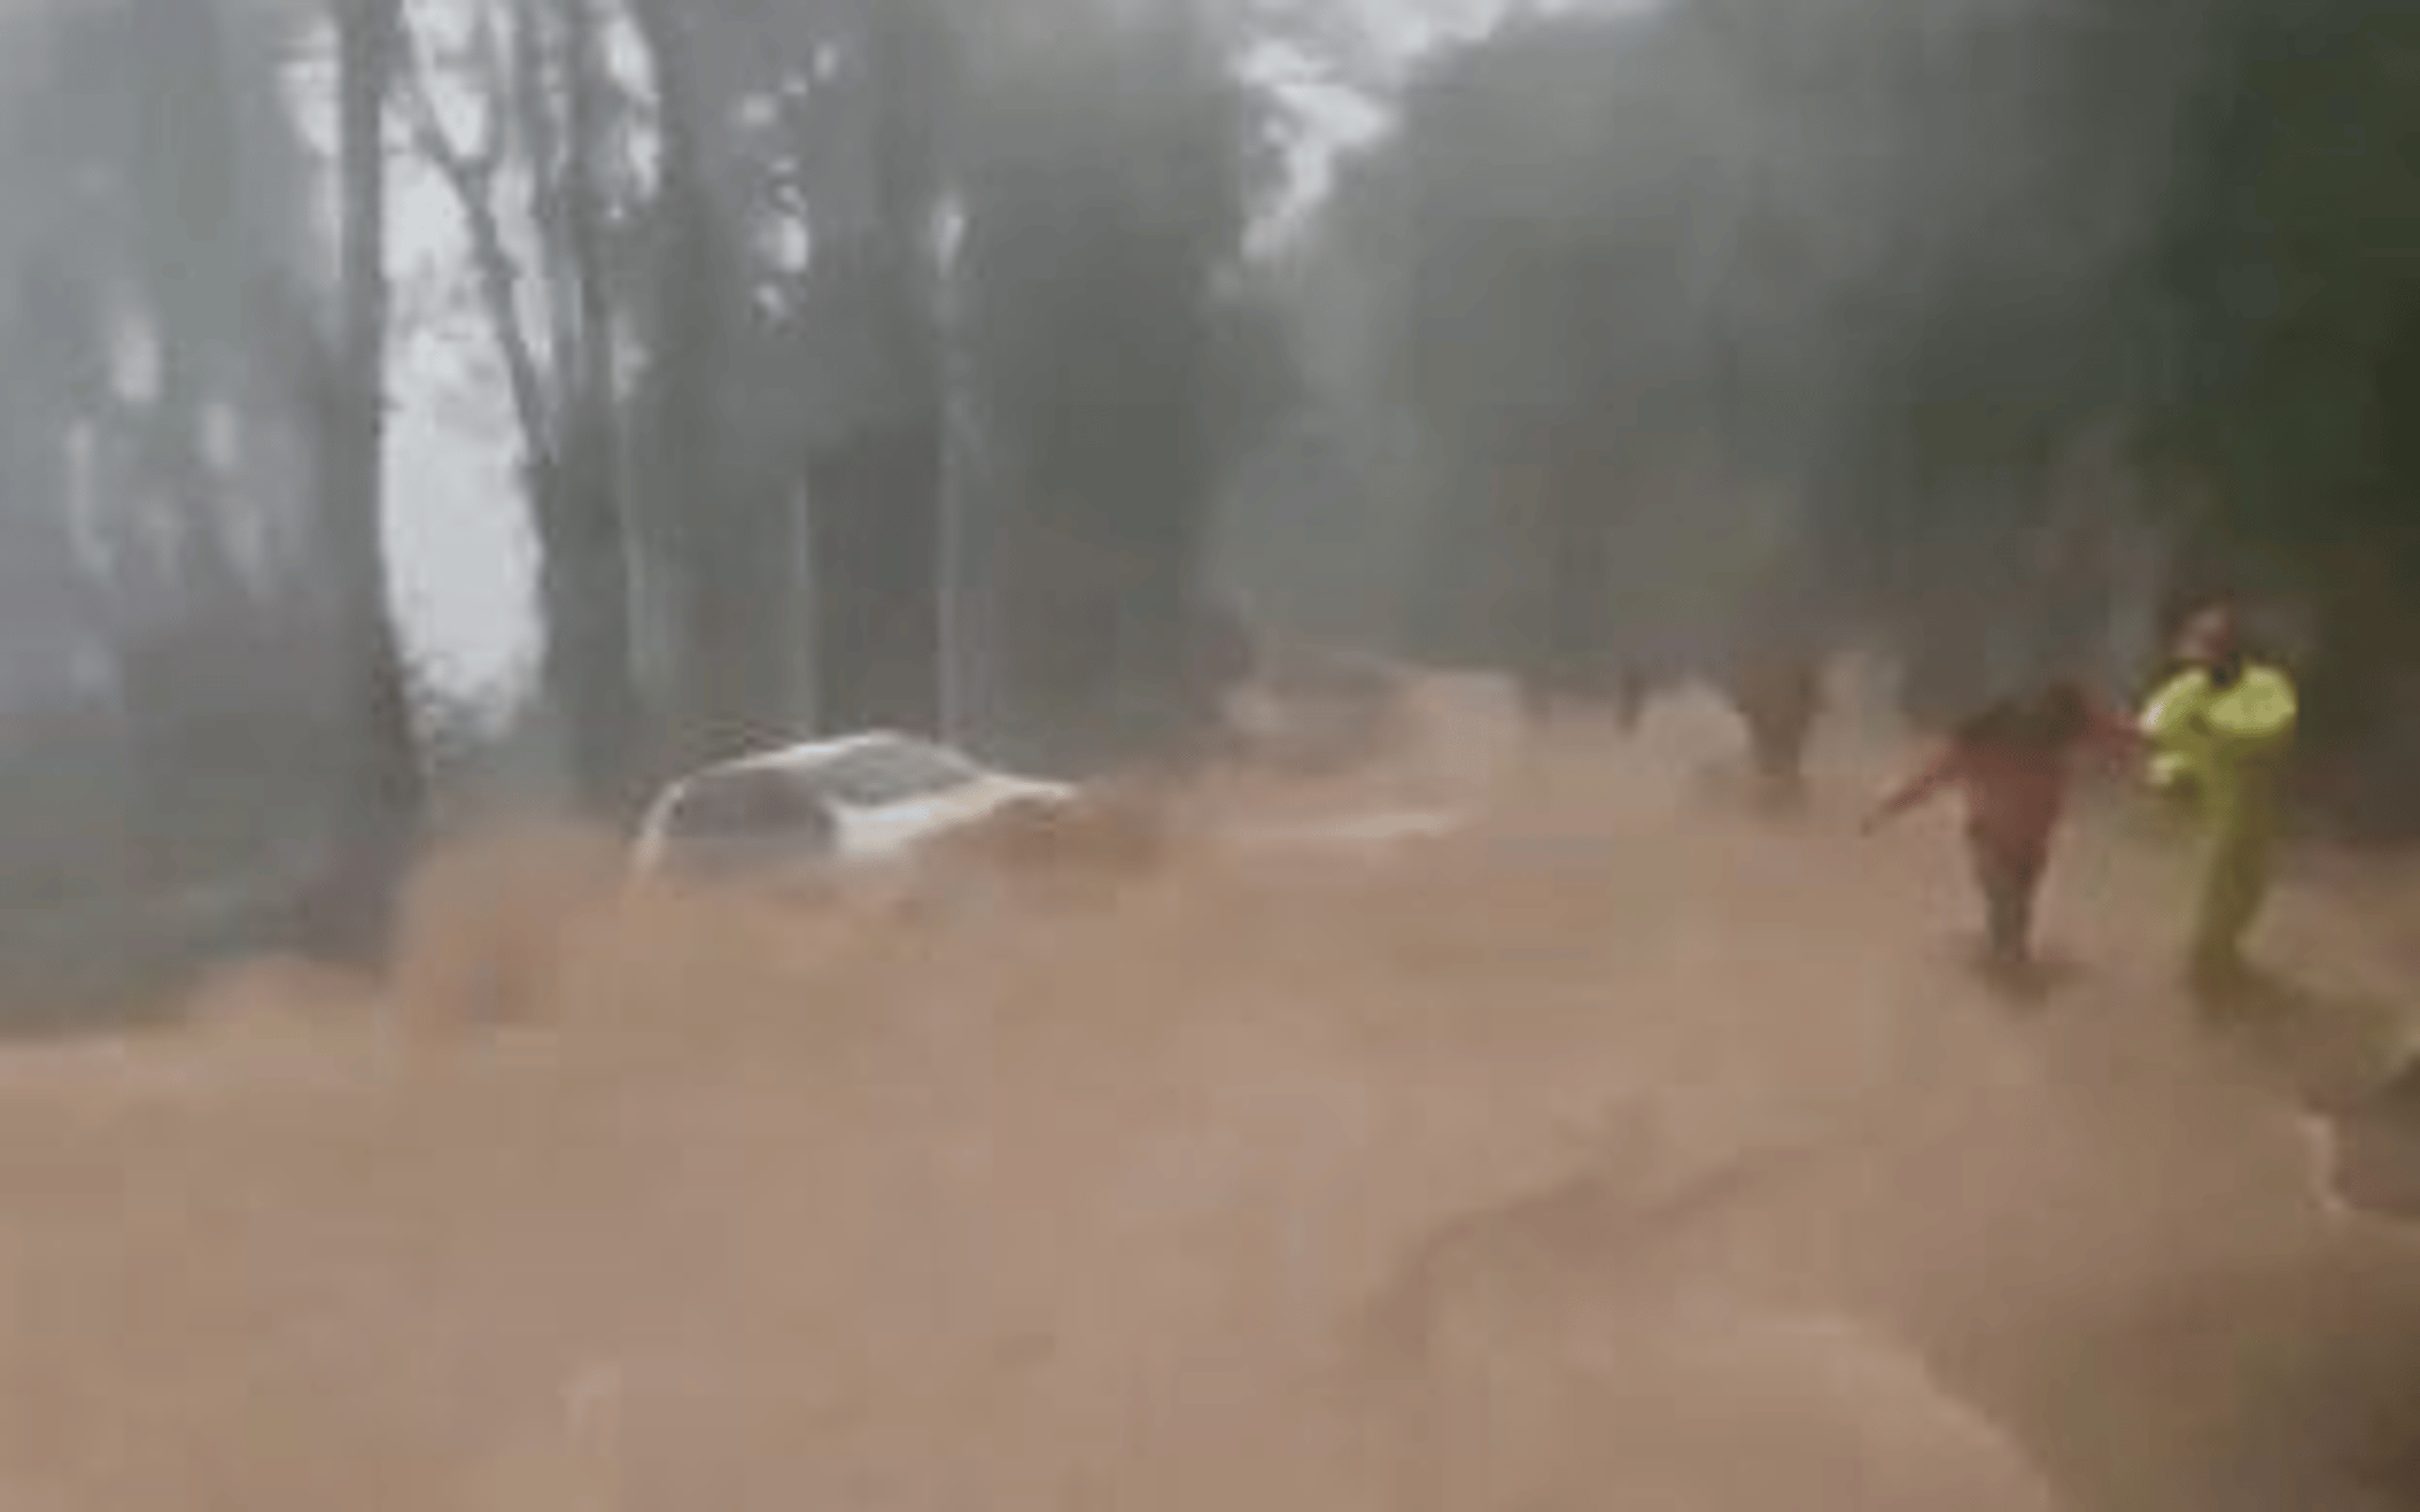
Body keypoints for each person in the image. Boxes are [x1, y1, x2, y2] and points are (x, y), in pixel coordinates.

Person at [1862, 680, 2136, 975]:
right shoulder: (1978, 749)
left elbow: (2113, 732)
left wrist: (2142, 746)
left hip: (2030, 848)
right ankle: (2004, 971)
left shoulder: (2050, 740)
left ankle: (2001, 965)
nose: (2024, 740)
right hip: (1990, 842)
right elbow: (1924, 784)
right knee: (2009, 909)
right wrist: (1883, 812)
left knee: (2017, 914)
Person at [2138, 602, 2298, 993]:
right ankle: (2201, 977)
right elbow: (2158, 741)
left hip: (2253, 812)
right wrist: (2169, 776)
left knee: (2247, 895)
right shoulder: (2183, 692)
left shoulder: (2267, 687)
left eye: (2217, 655)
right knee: (2207, 900)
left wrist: (2211, 730)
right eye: (2202, 657)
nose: (2206, 666)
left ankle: (2223, 959)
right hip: (2206, 818)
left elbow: (2273, 726)